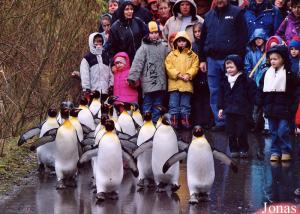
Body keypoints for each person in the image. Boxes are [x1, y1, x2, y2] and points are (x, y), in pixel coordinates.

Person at [198, 0, 248, 131]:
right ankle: (220, 122)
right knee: (214, 91)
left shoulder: (236, 12)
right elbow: (202, 39)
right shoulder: (208, 16)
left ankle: (233, 122)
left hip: (230, 59)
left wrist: (238, 59)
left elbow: (243, 37)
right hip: (212, 60)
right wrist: (202, 59)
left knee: (233, 91)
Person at [256, 44, 300, 161]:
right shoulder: (267, 74)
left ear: (283, 59)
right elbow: (261, 89)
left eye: (276, 59)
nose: (273, 61)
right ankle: (275, 151)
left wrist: (293, 107)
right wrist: (260, 102)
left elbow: (296, 92)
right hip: (270, 108)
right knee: (273, 132)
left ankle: (286, 150)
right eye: (271, 59)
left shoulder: (290, 75)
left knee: (282, 130)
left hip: (285, 109)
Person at [128, 21, 168, 123]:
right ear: (147, 34)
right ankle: (146, 121)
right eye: (151, 33)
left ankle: (155, 122)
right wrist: (133, 77)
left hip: (160, 81)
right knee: (148, 103)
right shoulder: (143, 48)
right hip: (148, 81)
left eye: (156, 33)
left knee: (158, 104)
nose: (154, 35)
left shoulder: (164, 46)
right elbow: (138, 63)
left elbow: (170, 60)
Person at [218, 55, 257, 158]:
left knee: (241, 131)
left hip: (242, 111)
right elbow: (220, 96)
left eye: (232, 67)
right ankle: (233, 149)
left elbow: (252, 95)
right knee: (230, 132)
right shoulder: (224, 81)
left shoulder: (246, 81)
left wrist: (251, 107)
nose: (229, 70)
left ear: (238, 66)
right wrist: (221, 108)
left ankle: (244, 149)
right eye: (227, 68)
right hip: (229, 110)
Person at [165, 31, 199, 129]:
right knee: (173, 104)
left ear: (188, 42)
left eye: (184, 41)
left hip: (186, 84)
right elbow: (169, 67)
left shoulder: (192, 55)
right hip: (174, 85)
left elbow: (195, 66)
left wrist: (189, 74)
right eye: (179, 41)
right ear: (175, 42)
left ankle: (185, 121)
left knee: (185, 105)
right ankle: (174, 121)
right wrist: (178, 75)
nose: (181, 43)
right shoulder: (171, 55)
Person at [80, 33, 113, 102]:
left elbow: (110, 73)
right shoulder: (87, 58)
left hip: (105, 91)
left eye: (100, 41)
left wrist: (111, 85)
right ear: (91, 42)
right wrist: (86, 89)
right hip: (93, 92)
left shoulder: (106, 57)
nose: (98, 43)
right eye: (96, 41)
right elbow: (85, 75)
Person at [191, 23, 212, 128]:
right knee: (197, 99)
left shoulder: (207, 44)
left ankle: (207, 121)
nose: (197, 34)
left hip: (206, 74)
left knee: (207, 98)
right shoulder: (192, 45)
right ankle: (198, 120)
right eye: (195, 32)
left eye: (199, 31)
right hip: (196, 75)